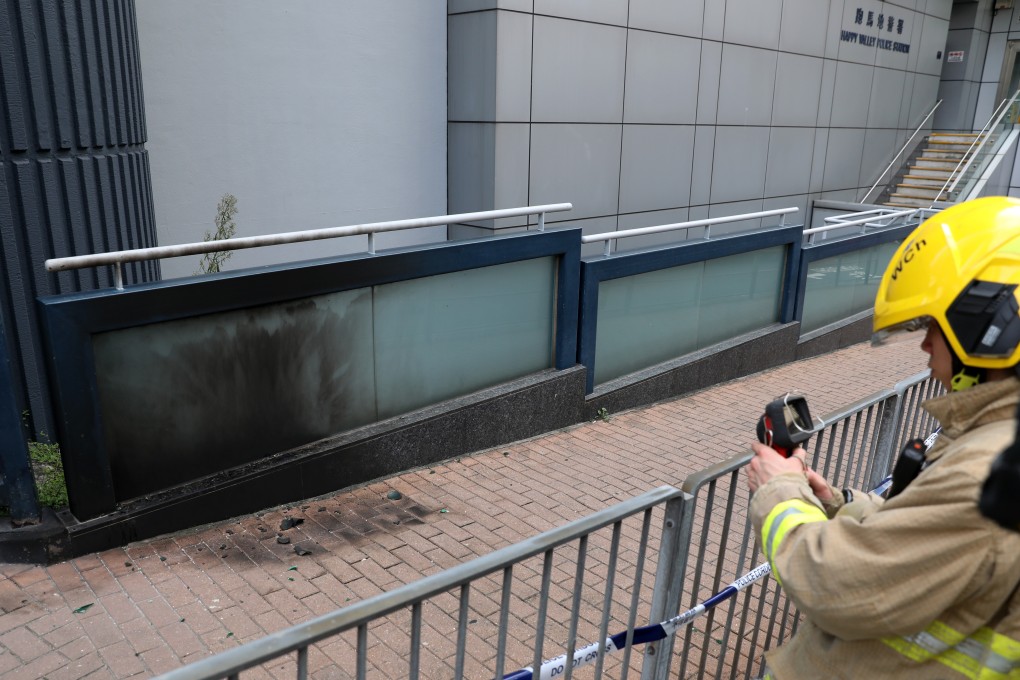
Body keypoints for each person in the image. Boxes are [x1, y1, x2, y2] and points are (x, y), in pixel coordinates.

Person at [745, 196, 1020, 679]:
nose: (926, 343)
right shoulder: (993, 445)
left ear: (990, 328)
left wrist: (780, 491)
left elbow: (834, 585)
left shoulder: (990, 473)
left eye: (936, 325)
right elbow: (924, 548)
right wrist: (837, 503)